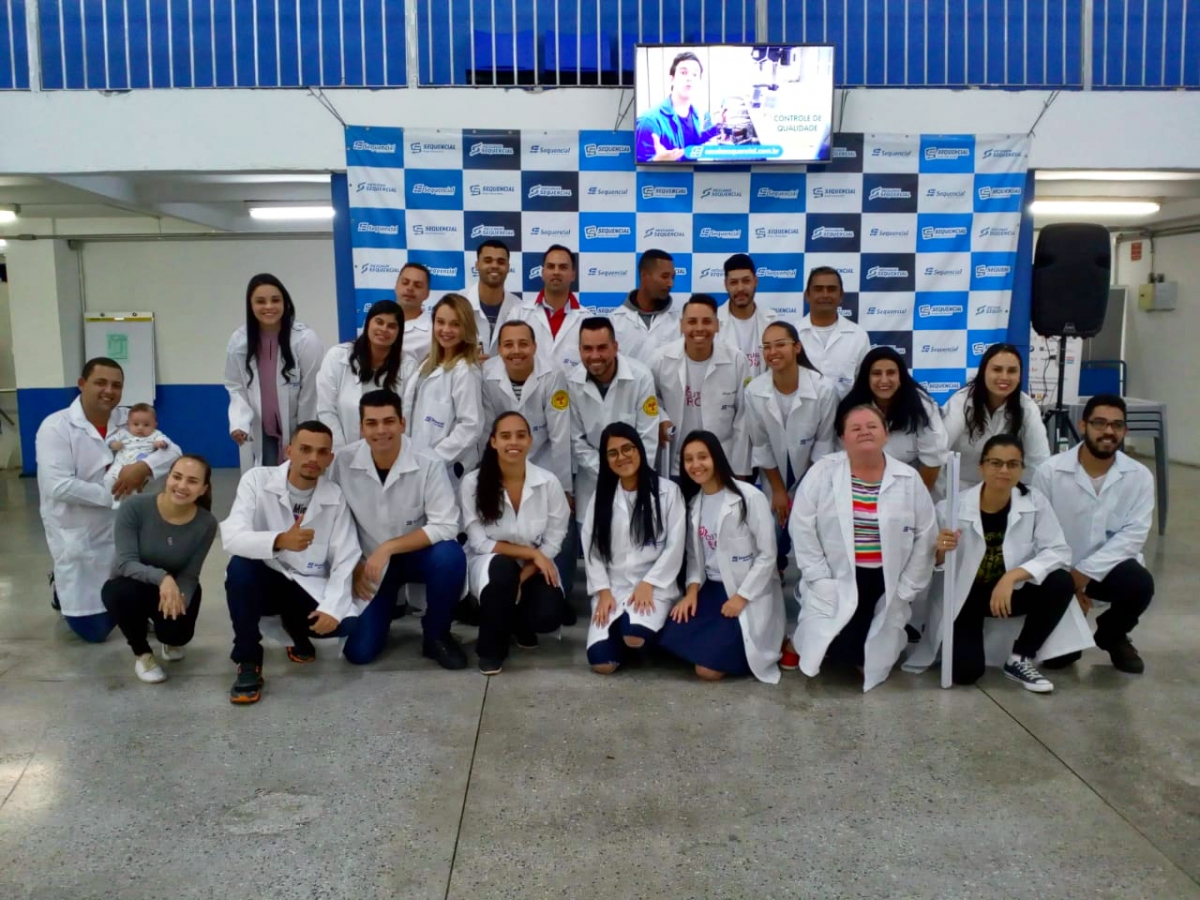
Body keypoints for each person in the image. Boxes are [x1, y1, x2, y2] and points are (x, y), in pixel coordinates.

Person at [907, 436, 1084, 692]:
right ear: (981, 466)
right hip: (967, 597)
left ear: (1022, 469)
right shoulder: (950, 508)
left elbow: (1058, 551)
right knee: (965, 673)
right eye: (995, 463)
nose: (1004, 470)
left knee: (1060, 581)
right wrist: (941, 552)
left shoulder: (1034, 502)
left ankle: (1020, 657)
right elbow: (928, 563)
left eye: (1012, 464)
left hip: (1009, 593)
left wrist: (1011, 577)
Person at [788, 405, 937, 690]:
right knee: (834, 649)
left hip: (885, 581)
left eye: (872, 426)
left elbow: (925, 535)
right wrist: (819, 578)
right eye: (855, 428)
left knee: (866, 657)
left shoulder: (909, 478)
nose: (864, 432)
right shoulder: (823, 472)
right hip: (837, 576)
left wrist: (907, 588)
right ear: (843, 438)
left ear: (885, 434)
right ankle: (800, 641)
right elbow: (802, 527)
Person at [36, 357, 182, 642]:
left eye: (116, 385)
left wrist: (144, 467)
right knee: (95, 632)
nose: (109, 391)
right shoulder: (56, 427)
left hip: (126, 531)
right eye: (100, 383)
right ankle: (61, 589)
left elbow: (173, 451)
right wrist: (115, 493)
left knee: (132, 604)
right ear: (82, 384)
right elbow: (58, 486)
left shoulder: (129, 419)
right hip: (81, 535)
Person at [220, 421, 361, 704]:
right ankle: (248, 660)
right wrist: (280, 540)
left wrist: (332, 609)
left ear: (330, 458)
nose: (313, 458)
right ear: (289, 451)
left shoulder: (334, 496)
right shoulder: (257, 480)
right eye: (305, 449)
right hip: (265, 580)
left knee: (345, 626)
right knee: (240, 568)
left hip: (305, 586)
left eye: (322, 452)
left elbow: (346, 558)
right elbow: (232, 537)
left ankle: (294, 629)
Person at [329, 390, 468, 669]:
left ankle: (437, 635)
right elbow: (332, 524)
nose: (381, 430)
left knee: (449, 556)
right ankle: (380, 617)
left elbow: (446, 524)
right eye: (372, 423)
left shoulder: (428, 461)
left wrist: (389, 547)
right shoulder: (342, 463)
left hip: (417, 556)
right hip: (369, 564)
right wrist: (350, 566)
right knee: (359, 653)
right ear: (361, 428)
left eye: (389, 421)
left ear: (402, 423)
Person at [1033, 394, 1156, 674]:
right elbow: (1039, 535)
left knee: (1139, 584)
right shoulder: (1049, 472)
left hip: (1107, 571)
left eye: (1117, 425)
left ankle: (1112, 633)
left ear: (1125, 430)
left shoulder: (1139, 476)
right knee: (1058, 661)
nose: (1108, 431)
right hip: (1059, 571)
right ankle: (1067, 627)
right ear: (1083, 425)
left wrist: (1083, 576)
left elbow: (1133, 536)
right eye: (1099, 423)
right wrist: (1069, 587)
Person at [743, 320, 838, 664]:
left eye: (780, 344)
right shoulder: (755, 391)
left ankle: (814, 634)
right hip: (774, 481)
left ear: (797, 347)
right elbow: (761, 446)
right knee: (769, 544)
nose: (773, 352)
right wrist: (780, 492)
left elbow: (823, 448)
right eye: (766, 346)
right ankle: (771, 631)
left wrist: (803, 495)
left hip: (816, 479)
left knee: (815, 551)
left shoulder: (823, 389)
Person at [661, 431, 785, 683]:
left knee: (707, 671)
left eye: (702, 457)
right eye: (688, 459)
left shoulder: (749, 497)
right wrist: (691, 593)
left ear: (716, 457)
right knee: (666, 639)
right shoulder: (695, 504)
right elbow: (694, 558)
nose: (696, 465)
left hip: (746, 590)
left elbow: (767, 555)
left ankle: (741, 650)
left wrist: (741, 597)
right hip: (712, 589)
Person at [461, 412, 570, 675]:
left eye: (521, 436)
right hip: (490, 563)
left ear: (530, 441)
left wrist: (522, 576)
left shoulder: (548, 482)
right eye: (505, 436)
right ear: (493, 442)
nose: (514, 442)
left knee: (548, 614)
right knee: (502, 571)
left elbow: (554, 540)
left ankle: (519, 623)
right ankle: (490, 650)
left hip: (532, 566)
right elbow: (479, 542)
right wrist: (532, 553)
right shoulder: (473, 483)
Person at [101, 455, 218, 683]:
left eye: (192, 481)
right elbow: (126, 563)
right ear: (167, 478)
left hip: (174, 587)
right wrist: (163, 578)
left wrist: (179, 602)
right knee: (119, 593)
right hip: (133, 583)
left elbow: (190, 574)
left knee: (177, 634)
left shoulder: (206, 523)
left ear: (203, 489)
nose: (182, 486)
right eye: (177, 477)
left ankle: (168, 639)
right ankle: (142, 654)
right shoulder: (135, 507)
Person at [582, 424, 686, 674]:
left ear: (639, 449)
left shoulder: (668, 492)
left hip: (654, 586)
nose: (622, 457)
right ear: (606, 459)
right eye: (613, 453)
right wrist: (603, 592)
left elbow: (675, 546)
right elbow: (592, 548)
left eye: (627, 448)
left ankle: (643, 632)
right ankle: (622, 630)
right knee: (602, 665)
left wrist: (648, 583)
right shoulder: (602, 496)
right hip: (613, 587)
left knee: (635, 637)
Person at [224, 273, 324, 469]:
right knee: (266, 479)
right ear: (251, 305)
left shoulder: (305, 339)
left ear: (285, 303)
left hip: (299, 425)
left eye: (275, 300)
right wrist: (239, 422)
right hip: (263, 430)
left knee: (300, 476)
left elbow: (311, 391)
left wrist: (304, 433)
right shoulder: (239, 340)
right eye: (260, 301)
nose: (269, 306)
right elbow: (236, 387)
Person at [568, 317, 660, 529]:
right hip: (592, 484)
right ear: (579, 350)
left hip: (636, 482)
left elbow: (648, 438)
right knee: (592, 544)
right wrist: (609, 470)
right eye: (587, 349)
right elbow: (576, 441)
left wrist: (629, 472)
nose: (595, 356)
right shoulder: (572, 381)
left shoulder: (641, 377)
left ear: (615, 347)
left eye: (602, 347)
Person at [649, 294, 751, 478]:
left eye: (706, 321)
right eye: (692, 322)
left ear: (717, 325)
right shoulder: (660, 359)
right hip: (676, 465)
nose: (699, 328)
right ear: (681, 325)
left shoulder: (737, 360)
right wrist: (661, 418)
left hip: (721, 464)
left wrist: (739, 472)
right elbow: (649, 398)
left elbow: (743, 420)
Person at [480, 321, 571, 496]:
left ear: (534, 347)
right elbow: (487, 433)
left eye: (523, 344)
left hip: (545, 463)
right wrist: (488, 476)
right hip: (502, 466)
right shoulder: (486, 375)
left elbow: (560, 436)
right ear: (499, 349)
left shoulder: (553, 375)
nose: (516, 351)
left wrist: (564, 489)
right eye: (508, 345)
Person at [838, 347, 949, 490]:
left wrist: (915, 497)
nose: (884, 380)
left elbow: (933, 461)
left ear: (900, 377)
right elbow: (845, 456)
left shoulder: (921, 406)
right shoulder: (851, 408)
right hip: (863, 482)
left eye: (891, 373)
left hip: (915, 482)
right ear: (866, 378)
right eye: (877, 373)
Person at [942, 343, 1050, 489]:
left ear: (1020, 376)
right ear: (983, 372)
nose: (1004, 377)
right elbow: (937, 454)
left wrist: (1026, 496)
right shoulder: (960, 403)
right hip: (958, 491)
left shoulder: (1027, 407)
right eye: (997, 369)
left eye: (1012, 371)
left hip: (1006, 492)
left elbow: (1038, 462)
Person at [404, 293, 485, 484]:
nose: (446, 330)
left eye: (455, 324)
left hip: (445, 470)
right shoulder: (427, 363)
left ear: (466, 328)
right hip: (415, 463)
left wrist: (433, 459)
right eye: (440, 322)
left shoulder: (465, 371)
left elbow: (470, 426)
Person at [316, 299, 414, 449]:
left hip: (388, 452)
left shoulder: (408, 366)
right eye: (379, 322)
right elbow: (326, 410)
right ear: (368, 323)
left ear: (399, 332)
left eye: (391, 326)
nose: (384, 329)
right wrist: (341, 452)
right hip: (341, 450)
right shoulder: (337, 356)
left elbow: (406, 415)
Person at [502, 245, 591, 374]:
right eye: (551, 266)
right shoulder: (519, 314)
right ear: (543, 273)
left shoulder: (588, 319)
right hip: (529, 387)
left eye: (563, 267)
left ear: (573, 275)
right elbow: (505, 357)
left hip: (573, 388)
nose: (556, 272)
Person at [634, 50, 725, 163]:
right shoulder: (649, 121)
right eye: (683, 72)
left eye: (695, 74)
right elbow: (638, 168)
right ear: (672, 79)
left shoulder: (695, 114)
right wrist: (657, 161)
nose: (689, 78)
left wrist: (718, 126)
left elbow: (692, 142)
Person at [795, 267, 870, 400]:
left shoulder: (858, 336)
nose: (825, 295)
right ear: (807, 295)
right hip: (801, 412)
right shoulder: (792, 333)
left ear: (841, 295)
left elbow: (865, 383)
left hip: (844, 412)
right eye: (818, 289)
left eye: (831, 289)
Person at [610, 249, 680, 361]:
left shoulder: (679, 321)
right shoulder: (614, 321)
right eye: (664, 276)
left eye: (672, 277)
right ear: (644, 276)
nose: (670, 283)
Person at [717, 253, 777, 380]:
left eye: (746, 281)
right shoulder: (713, 322)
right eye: (734, 282)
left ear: (755, 281)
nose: (740, 288)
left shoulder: (772, 321)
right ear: (726, 285)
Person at [103, 402, 173, 506]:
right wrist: (113, 444)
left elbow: (167, 442)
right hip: (119, 464)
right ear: (128, 424)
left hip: (139, 464)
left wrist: (161, 443)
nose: (140, 428)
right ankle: (115, 501)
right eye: (136, 424)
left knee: (135, 486)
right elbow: (109, 440)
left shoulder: (155, 435)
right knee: (108, 479)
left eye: (146, 425)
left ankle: (133, 504)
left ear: (155, 425)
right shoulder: (123, 433)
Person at [465, 239, 522, 355]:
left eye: (501, 262)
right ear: (477, 265)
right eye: (488, 260)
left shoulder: (519, 308)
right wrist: (466, 359)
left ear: (508, 267)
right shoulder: (458, 303)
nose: (494, 265)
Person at [394, 262, 434, 367]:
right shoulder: (376, 320)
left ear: (427, 293)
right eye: (405, 282)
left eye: (418, 285)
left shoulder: (434, 331)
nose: (410, 288)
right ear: (396, 286)